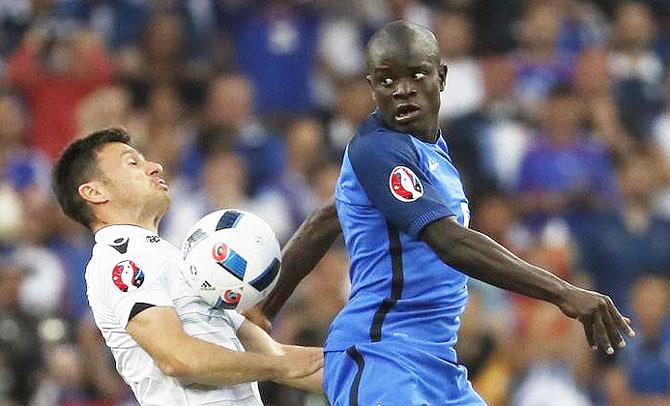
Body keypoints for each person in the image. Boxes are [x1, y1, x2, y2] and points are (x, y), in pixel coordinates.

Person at [246, 21, 635, 405]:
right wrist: (562, 292)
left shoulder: (431, 155)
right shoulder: (377, 150)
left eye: (416, 75)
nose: (402, 90)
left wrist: (267, 309)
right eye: (386, 80)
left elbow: (324, 222)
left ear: (442, 77)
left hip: (437, 361)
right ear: (371, 87)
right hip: (383, 357)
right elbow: (448, 241)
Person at [50, 128, 323, 405]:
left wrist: (361, 364)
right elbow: (178, 358)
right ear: (94, 192)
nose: (154, 167)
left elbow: (278, 355)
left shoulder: (180, 259)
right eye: (132, 163)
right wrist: (278, 367)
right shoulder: (120, 258)